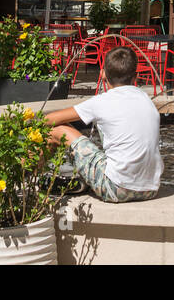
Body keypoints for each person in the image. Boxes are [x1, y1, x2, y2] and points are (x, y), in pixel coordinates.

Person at [45, 46, 161, 203]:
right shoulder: (146, 99)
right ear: (136, 76)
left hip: (116, 188)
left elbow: (51, 119)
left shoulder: (102, 101)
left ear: (103, 73)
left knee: (58, 130)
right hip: (150, 189)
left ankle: (25, 177)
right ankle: (81, 181)